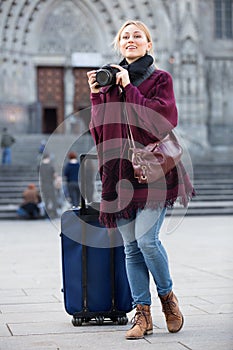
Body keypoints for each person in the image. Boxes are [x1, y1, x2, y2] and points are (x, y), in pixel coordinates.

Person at [87, 20, 195, 340]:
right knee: (131, 248)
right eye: (125, 37)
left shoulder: (161, 78)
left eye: (138, 36)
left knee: (148, 241)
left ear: (149, 45)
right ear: (119, 45)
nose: (131, 40)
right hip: (119, 173)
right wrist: (97, 95)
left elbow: (160, 121)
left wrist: (128, 87)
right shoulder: (109, 84)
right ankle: (142, 314)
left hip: (155, 171)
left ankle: (168, 299)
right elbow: (99, 131)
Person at [39, 153, 57, 218]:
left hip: (43, 185)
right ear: (48, 158)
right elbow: (55, 176)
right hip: (50, 184)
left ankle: (47, 214)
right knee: (53, 199)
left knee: (46, 199)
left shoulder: (40, 166)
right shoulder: (51, 166)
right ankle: (54, 213)